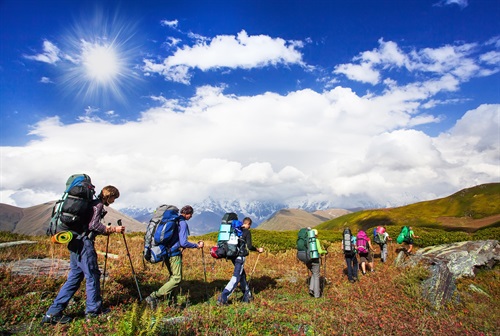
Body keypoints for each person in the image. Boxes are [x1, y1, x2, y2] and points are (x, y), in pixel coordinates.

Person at [42, 186, 124, 325]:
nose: (114, 201)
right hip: (84, 244)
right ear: (109, 196)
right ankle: (93, 311)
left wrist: (104, 230)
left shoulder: (90, 204)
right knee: (92, 275)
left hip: (75, 241)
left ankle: (53, 313)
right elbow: (93, 225)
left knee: (75, 276)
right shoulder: (98, 205)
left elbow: (88, 225)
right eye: (114, 198)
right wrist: (111, 229)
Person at [144, 205, 203, 309]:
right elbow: (183, 243)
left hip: (166, 252)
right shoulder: (182, 223)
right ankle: (154, 296)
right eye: (191, 215)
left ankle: (172, 303)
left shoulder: (174, 220)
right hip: (174, 254)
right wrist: (196, 245)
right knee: (177, 278)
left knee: (172, 277)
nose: (191, 217)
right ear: (188, 214)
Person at [217, 217, 264, 305]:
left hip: (233, 256)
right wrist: (258, 249)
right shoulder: (247, 232)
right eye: (250, 225)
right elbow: (249, 247)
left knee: (242, 275)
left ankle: (247, 296)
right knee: (236, 277)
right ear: (248, 224)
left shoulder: (235, 230)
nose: (249, 227)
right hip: (240, 256)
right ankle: (223, 298)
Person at [299, 229, 327, 298]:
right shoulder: (316, 240)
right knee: (317, 275)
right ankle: (317, 295)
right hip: (315, 260)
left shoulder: (306, 240)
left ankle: (311, 289)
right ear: (316, 235)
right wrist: (325, 251)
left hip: (307, 260)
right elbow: (320, 251)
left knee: (313, 274)